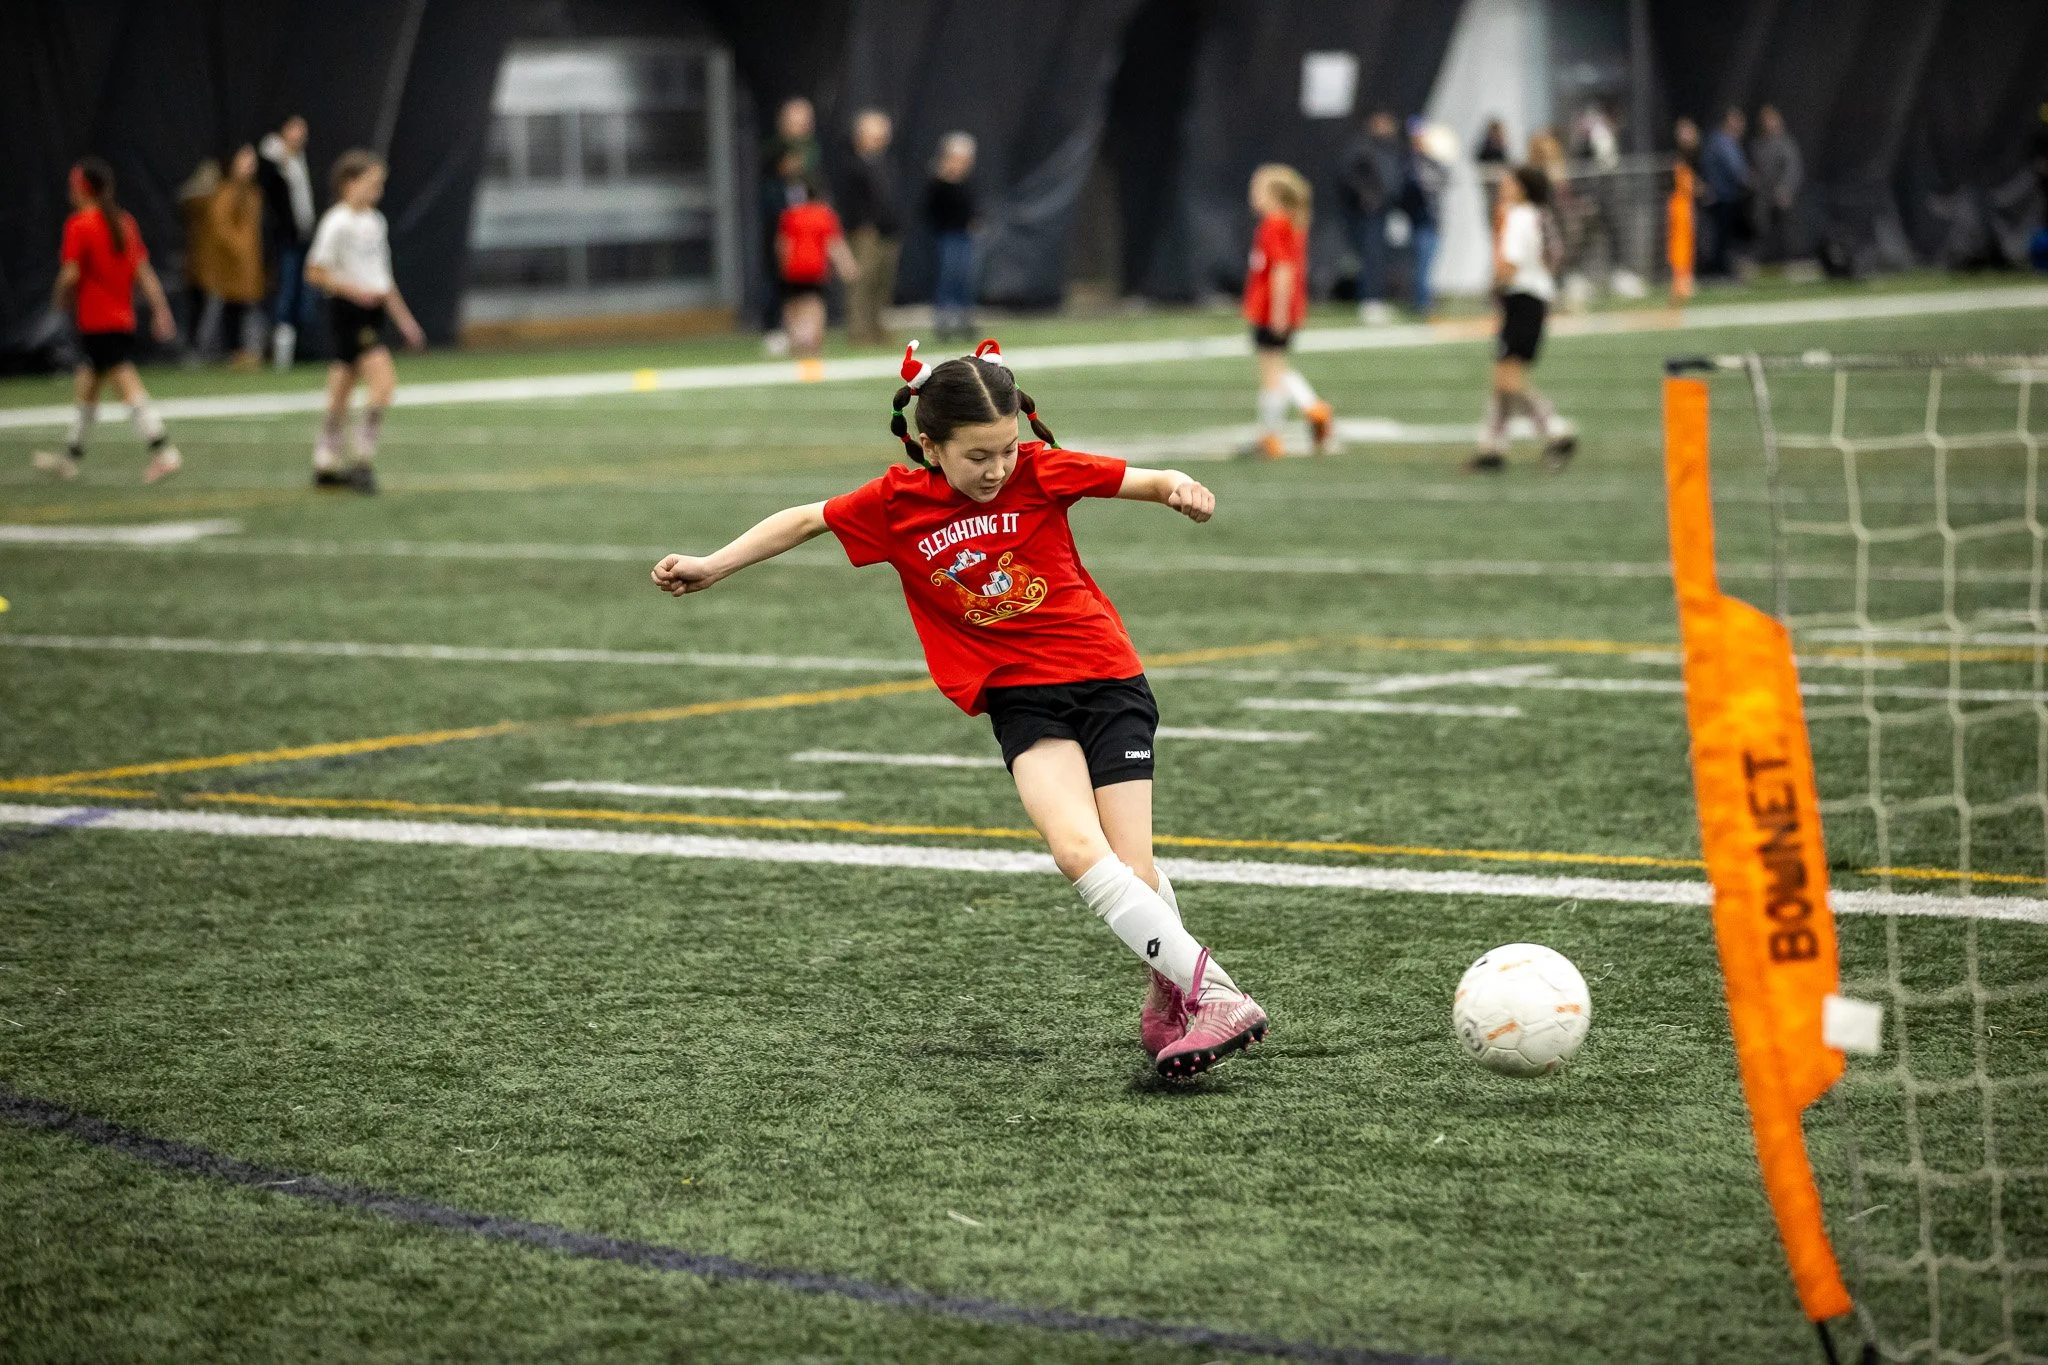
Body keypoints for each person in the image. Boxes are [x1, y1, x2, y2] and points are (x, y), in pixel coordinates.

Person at [649, 339, 1270, 1080]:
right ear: (930, 445)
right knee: (1077, 850)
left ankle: (1194, 991)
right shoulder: (895, 505)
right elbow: (805, 520)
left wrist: (1179, 486)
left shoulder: (1041, 471)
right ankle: (1208, 995)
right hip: (1019, 701)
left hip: (1107, 680)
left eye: (1006, 449)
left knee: (1133, 869)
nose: (997, 468)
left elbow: (1146, 477)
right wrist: (713, 565)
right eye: (978, 455)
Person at [32, 158, 183, 484]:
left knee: (125, 384)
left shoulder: (80, 224)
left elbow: (70, 274)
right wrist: (161, 310)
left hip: (97, 322)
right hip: (120, 319)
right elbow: (143, 272)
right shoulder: (123, 222)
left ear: (83, 188)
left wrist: (57, 299)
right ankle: (70, 458)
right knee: (88, 385)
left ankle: (164, 451)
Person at [304, 149, 424, 494]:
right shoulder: (337, 222)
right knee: (383, 384)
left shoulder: (375, 222)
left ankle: (325, 462)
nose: (378, 191)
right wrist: (352, 290)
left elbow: (383, 279)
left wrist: (405, 320)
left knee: (341, 388)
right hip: (349, 311)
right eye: (372, 183)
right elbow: (314, 272)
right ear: (349, 183)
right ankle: (361, 460)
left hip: (371, 311)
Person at [1468, 166, 1574, 476]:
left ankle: (1555, 430)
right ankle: (1493, 449)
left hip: (1523, 300)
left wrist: (1494, 287)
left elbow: (1510, 266)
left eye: (1510, 181)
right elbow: (1554, 255)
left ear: (1522, 188)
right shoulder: (1538, 215)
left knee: (1507, 380)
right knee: (1502, 380)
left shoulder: (1517, 216)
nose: (1504, 185)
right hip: (1534, 298)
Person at [1241, 164, 1333, 460]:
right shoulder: (1290, 223)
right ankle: (1312, 408)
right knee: (1278, 369)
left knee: (1271, 374)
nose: (1252, 196)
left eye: (1257, 190)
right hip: (1283, 309)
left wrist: (1278, 312)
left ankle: (1273, 434)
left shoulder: (1274, 225)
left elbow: (1282, 270)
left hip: (1271, 310)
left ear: (1274, 196)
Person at [776, 169, 858, 359]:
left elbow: (783, 245)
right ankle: (813, 343)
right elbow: (834, 244)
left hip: (794, 268)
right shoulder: (825, 214)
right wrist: (847, 266)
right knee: (814, 305)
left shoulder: (791, 215)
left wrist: (783, 265)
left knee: (793, 305)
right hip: (815, 268)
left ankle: (796, 342)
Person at [759, 97, 820, 348]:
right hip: (782, 223)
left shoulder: (812, 149)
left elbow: (813, 184)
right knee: (780, 272)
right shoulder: (775, 148)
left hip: (806, 225)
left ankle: (808, 333)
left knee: (809, 278)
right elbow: (772, 178)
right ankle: (776, 327)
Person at [259, 115, 317, 369]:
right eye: (294, 130)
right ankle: (281, 356)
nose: (299, 136)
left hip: (305, 236)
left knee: (305, 294)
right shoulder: (275, 157)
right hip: (286, 238)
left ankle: (300, 349)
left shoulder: (300, 160)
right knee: (286, 290)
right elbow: (266, 169)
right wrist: (278, 152)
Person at [840, 108, 900, 345]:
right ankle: (859, 331)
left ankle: (877, 328)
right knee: (863, 282)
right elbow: (849, 201)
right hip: (865, 233)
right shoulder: (851, 164)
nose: (879, 140)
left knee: (882, 282)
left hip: (888, 230)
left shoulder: (886, 163)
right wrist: (861, 224)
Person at [202, 144, 265, 370]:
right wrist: (239, 250)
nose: (250, 166)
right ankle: (228, 351)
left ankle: (243, 350)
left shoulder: (253, 193)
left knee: (242, 308)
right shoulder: (226, 192)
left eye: (252, 161)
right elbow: (221, 228)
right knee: (228, 308)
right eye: (245, 160)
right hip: (230, 264)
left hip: (248, 263)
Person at [1340, 110, 1403, 324]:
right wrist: (1364, 194)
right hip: (1368, 212)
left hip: (1384, 209)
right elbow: (1348, 173)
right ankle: (1369, 300)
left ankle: (1374, 297)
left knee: (1379, 256)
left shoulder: (1390, 148)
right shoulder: (1363, 146)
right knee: (1371, 255)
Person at [926, 132, 979, 340]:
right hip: (947, 235)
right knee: (948, 277)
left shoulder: (968, 181)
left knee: (964, 278)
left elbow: (971, 206)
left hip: (965, 235)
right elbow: (932, 210)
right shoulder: (939, 182)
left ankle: (964, 319)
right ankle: (945, 321)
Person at [1401, 119, 1448, 317]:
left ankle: (1425, 299)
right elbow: (1413, 189)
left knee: (1428, 261)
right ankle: (1422, 302)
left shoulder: (1431, 160)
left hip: (1433, 218)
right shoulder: (1410, 161)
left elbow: (1444, 178)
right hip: (1421, 218)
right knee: (1422, 261)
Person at [176, 157, 222, 357]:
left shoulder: (193, 202)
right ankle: (198, 349)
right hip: (206, 267)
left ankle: (196, 348)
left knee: (198, 309)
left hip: (198, 266)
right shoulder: (211, 204)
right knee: (205, 310)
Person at [1700, 107, 1752, 277]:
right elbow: (1737, 172)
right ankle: (1720, 272)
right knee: (1723, 239)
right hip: (1724, 198)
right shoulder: (1723, 143)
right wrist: (1750, 181)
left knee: (1721, 238)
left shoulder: (1716, 141)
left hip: (1721, 197)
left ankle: (1719, 270)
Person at [1749, 105, 1802, 266]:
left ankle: (1787, 261)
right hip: (1763, 197)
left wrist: (1786, 189)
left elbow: (1793, 169)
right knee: (1762, 230)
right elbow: (1755, 170)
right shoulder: (1757, 145)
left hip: (1780, 196)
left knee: (1784, 232)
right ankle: (1765, 261)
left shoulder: (1785, 143)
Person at [1668, 118, 1701, 304]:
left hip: (1685, 203)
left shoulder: (1690, 156)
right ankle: (1679, 282)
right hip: (1678, 204)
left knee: (1687, 243)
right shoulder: (1678, 158)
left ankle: (1685, 280)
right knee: (1679, 244)